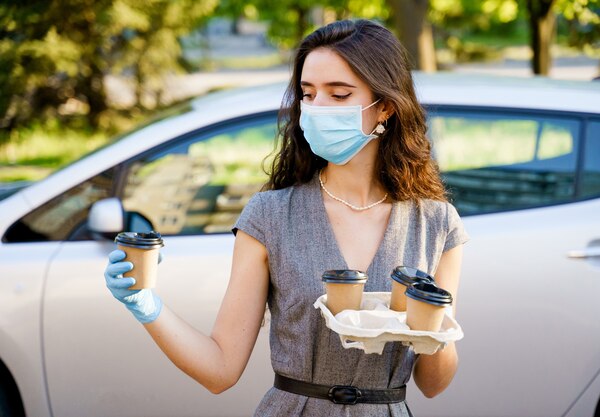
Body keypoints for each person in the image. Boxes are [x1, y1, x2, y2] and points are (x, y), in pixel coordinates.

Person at [104, 19, 469, 416]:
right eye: (308, 94)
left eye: (339, 94)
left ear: (385, 107)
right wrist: (148, 306)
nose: (316, 110)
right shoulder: (270, 216)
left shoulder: (436, 223)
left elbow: (434, 384)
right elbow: (219, 370)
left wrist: (430, 325)